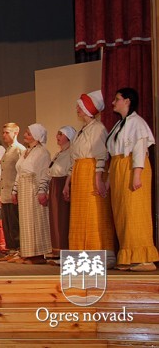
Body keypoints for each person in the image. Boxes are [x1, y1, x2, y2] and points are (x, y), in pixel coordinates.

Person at [106, 88, 159, 272]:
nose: (113, 102)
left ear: (127, 101)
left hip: (132, 167)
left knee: (135, 211)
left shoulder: (137, 123)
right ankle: (128, 256)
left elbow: (139, 149)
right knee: (122, 213)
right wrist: (109, 178)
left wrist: (137, 174)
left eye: (117, 99)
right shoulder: (120, 124)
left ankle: (143, 258)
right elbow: (113, 153)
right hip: (119, 167)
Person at [66, 90, 115, 266]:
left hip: (91, 171)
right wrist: (68, 183)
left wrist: (98, 178)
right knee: (79, 215)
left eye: (80, 107)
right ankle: (81, 254)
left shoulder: (98, 129)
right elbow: (74, 157)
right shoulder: (82, 131)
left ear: (88, 108)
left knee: (93, 212)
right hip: (80, 172)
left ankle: (99, 254)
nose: (77, 110)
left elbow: (102, 154)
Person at [13, 123, 51, 264]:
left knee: (36, 220)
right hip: (24, 187)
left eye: (28, 133)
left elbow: (44, 173)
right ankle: (28, 252)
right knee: (26, 222)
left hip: (33, 187)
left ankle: (38, 254)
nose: (25, 135)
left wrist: (42, 191)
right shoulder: (26, 152)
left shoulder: (42, 152)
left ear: (36, 136)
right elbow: (19, 172)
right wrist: (15, 190)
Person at [44, 126, 75, 260]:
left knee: (62, 218)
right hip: (55, 183)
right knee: (55, 218)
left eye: (61, 134)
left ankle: (64, 249)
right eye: (57, 134)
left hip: (63, 183)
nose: (57, 137)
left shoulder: (71, 152)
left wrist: (67, 185)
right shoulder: (59, 153)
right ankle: (57, 249)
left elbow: (71, 169)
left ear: (68, 137)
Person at [0, 123, 26, 262]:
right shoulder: (7, 150)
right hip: (5, 192)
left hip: (14, 192)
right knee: (7, 224)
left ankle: (19, 250)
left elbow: (21, 172)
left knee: (15, 223)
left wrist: (16, 190)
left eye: (7, 132)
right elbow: (3, 173)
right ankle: (11, 249)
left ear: (15, 133)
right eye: (3, 132)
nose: (4, 135)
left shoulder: (20, 150)